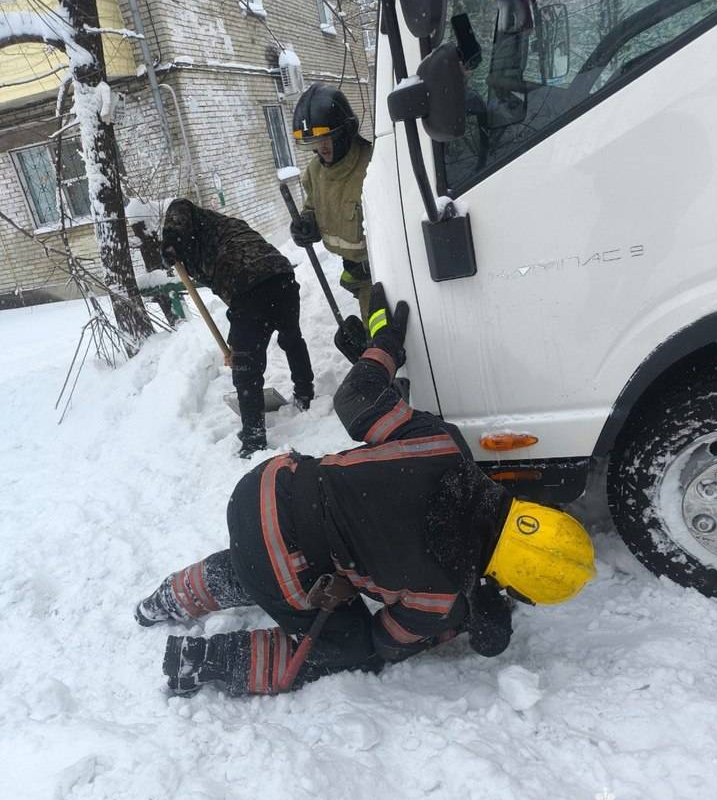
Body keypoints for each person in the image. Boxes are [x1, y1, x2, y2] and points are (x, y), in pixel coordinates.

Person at [135, 284, 596, 698]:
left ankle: (166, 598)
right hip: (278, 553)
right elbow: (385, 641)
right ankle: (205, 661)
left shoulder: (440, 446)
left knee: (266, 559)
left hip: (266, 484)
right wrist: (464, 618)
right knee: (348, 647)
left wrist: (383, 345)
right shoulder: (439, 599)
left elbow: (356, 396)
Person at [160, 198, 315, 458]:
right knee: (291, 339)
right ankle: (306, 393)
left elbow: (178, 206)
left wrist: (170, 240)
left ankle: (254, 438)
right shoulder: (220, 228)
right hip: (281, 276)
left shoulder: (190, 224)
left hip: (249, 285)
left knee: (247, 369)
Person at [290, 84, 373, 329]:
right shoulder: (315, 172)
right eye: (315, 140)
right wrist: (307, 225)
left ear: (344, 132)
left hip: (382, 274)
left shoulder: (373, 165)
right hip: (354, 271)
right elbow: (313, 207)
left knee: (379, 330)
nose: (322, 147)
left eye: (327, 137)